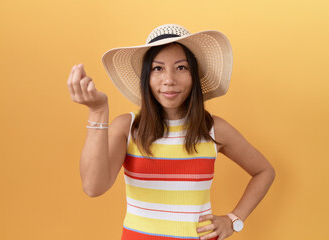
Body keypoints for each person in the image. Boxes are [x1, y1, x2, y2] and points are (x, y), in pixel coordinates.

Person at [67, 24, 275, 240]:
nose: (169, 80)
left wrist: (234, 219)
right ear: (146, 77)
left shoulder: (214, 128)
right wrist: (97, 111)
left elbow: (264, 171)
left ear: (194, 75)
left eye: (181, 67)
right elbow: (93, 187)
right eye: (158, 68)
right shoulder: (127, 127)